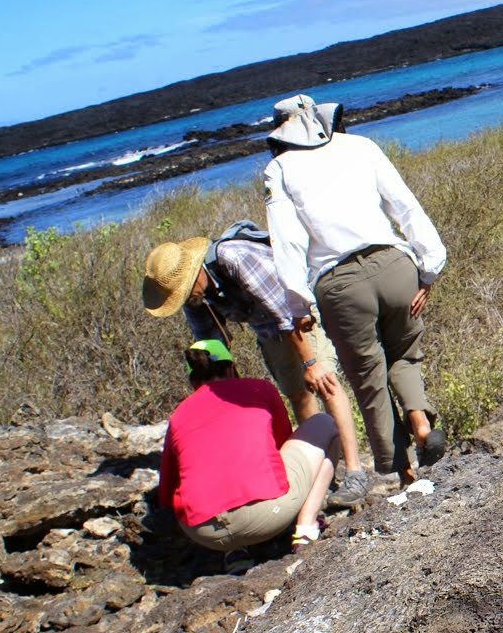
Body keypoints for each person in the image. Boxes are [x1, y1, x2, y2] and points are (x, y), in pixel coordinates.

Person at [263, 93, 448, 487]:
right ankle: (419, 419)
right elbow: (405, 206)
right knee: (405, 355)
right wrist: (429, 268)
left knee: (369, 379)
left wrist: (299, 304)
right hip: (396, 266)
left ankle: (405, 471)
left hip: (340, 285)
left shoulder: (279, 169)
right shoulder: (362, 146)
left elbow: (287, 240)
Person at [143, 227, 373, 506]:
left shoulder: (233, 259)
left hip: (299, 317)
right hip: (268, 331)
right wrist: (223, 393)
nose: (186, 300)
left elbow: (285, 310)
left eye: (183, 292)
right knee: (299, 396)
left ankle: (354, 472)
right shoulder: (195, 298)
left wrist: (310, 363)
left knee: (324, 383)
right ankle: (325, 474)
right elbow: (213, 345)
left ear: (194, 273)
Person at [157, 340, 338, 568]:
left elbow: (166, 493)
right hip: (269, 516)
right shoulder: (258, 389)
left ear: (193, 380)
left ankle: (235, 553)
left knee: (214, 474)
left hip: (205, 532)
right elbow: (282, 444)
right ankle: (306, 530)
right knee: (326, 423)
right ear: (231, 368)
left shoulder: (178, 415)